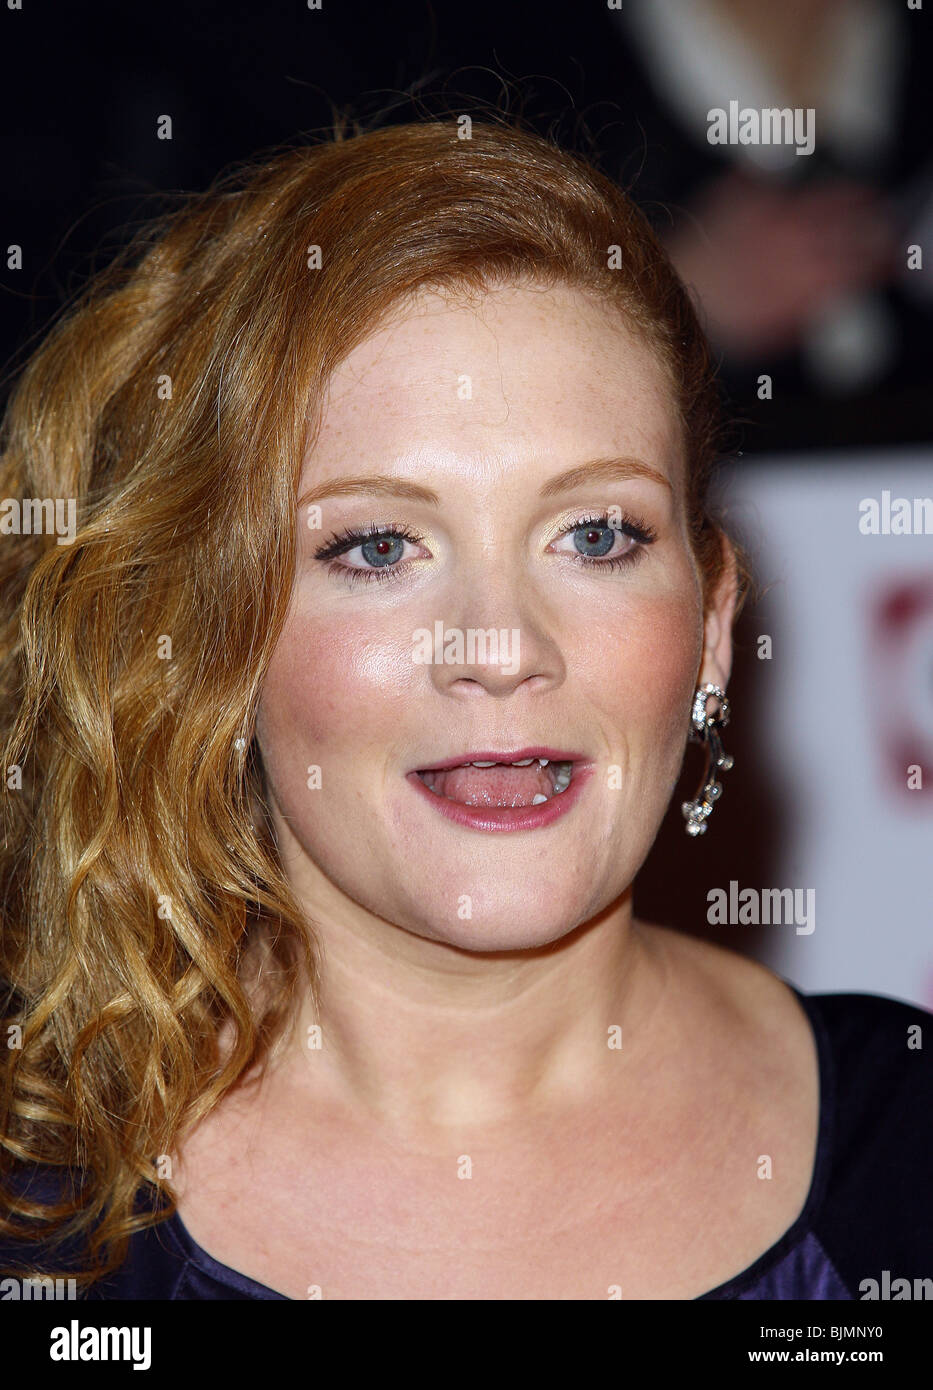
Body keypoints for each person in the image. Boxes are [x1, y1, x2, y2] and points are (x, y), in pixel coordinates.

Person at [0, 114, 929, 1302]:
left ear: (709, 623)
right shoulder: (41, 1212)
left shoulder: (907, 1150)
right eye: (380, 545)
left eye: (596, 535)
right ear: (215, 636)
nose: (500, 649)